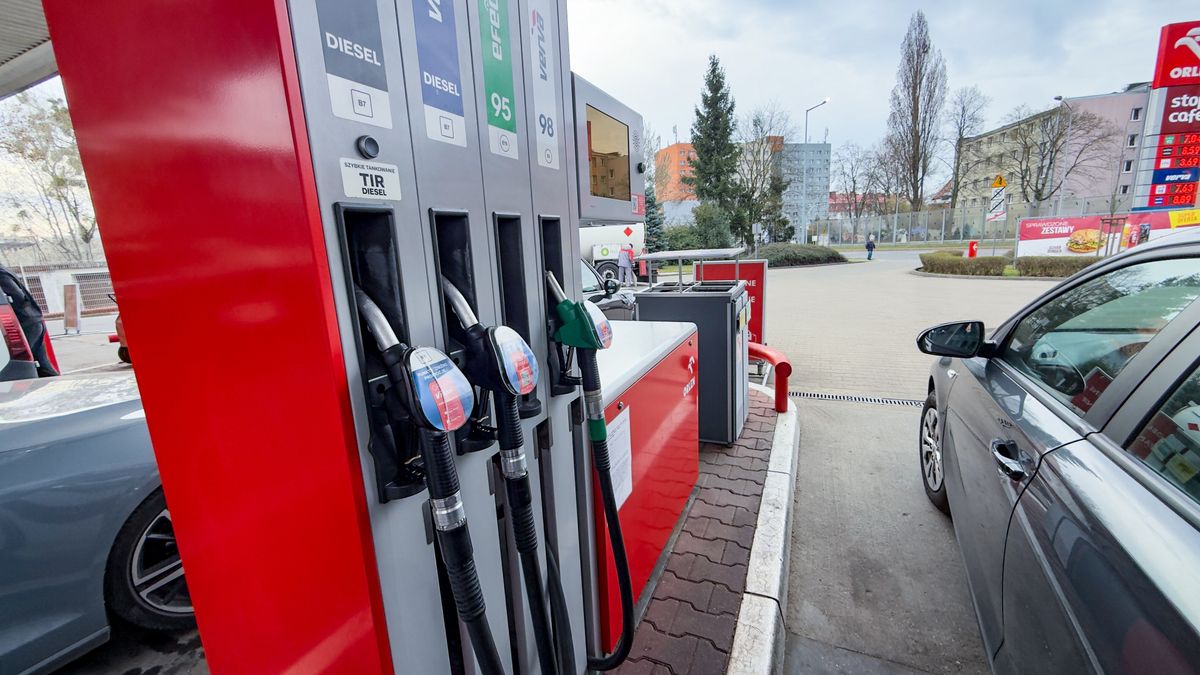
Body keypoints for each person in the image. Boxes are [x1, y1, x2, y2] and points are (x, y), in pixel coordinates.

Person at [0, 265, 59, 376]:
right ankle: (55, 384)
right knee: (43, 366)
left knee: (19, 368)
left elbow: (17, 298)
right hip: (33, 320)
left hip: (25, 325)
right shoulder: (4, 270)